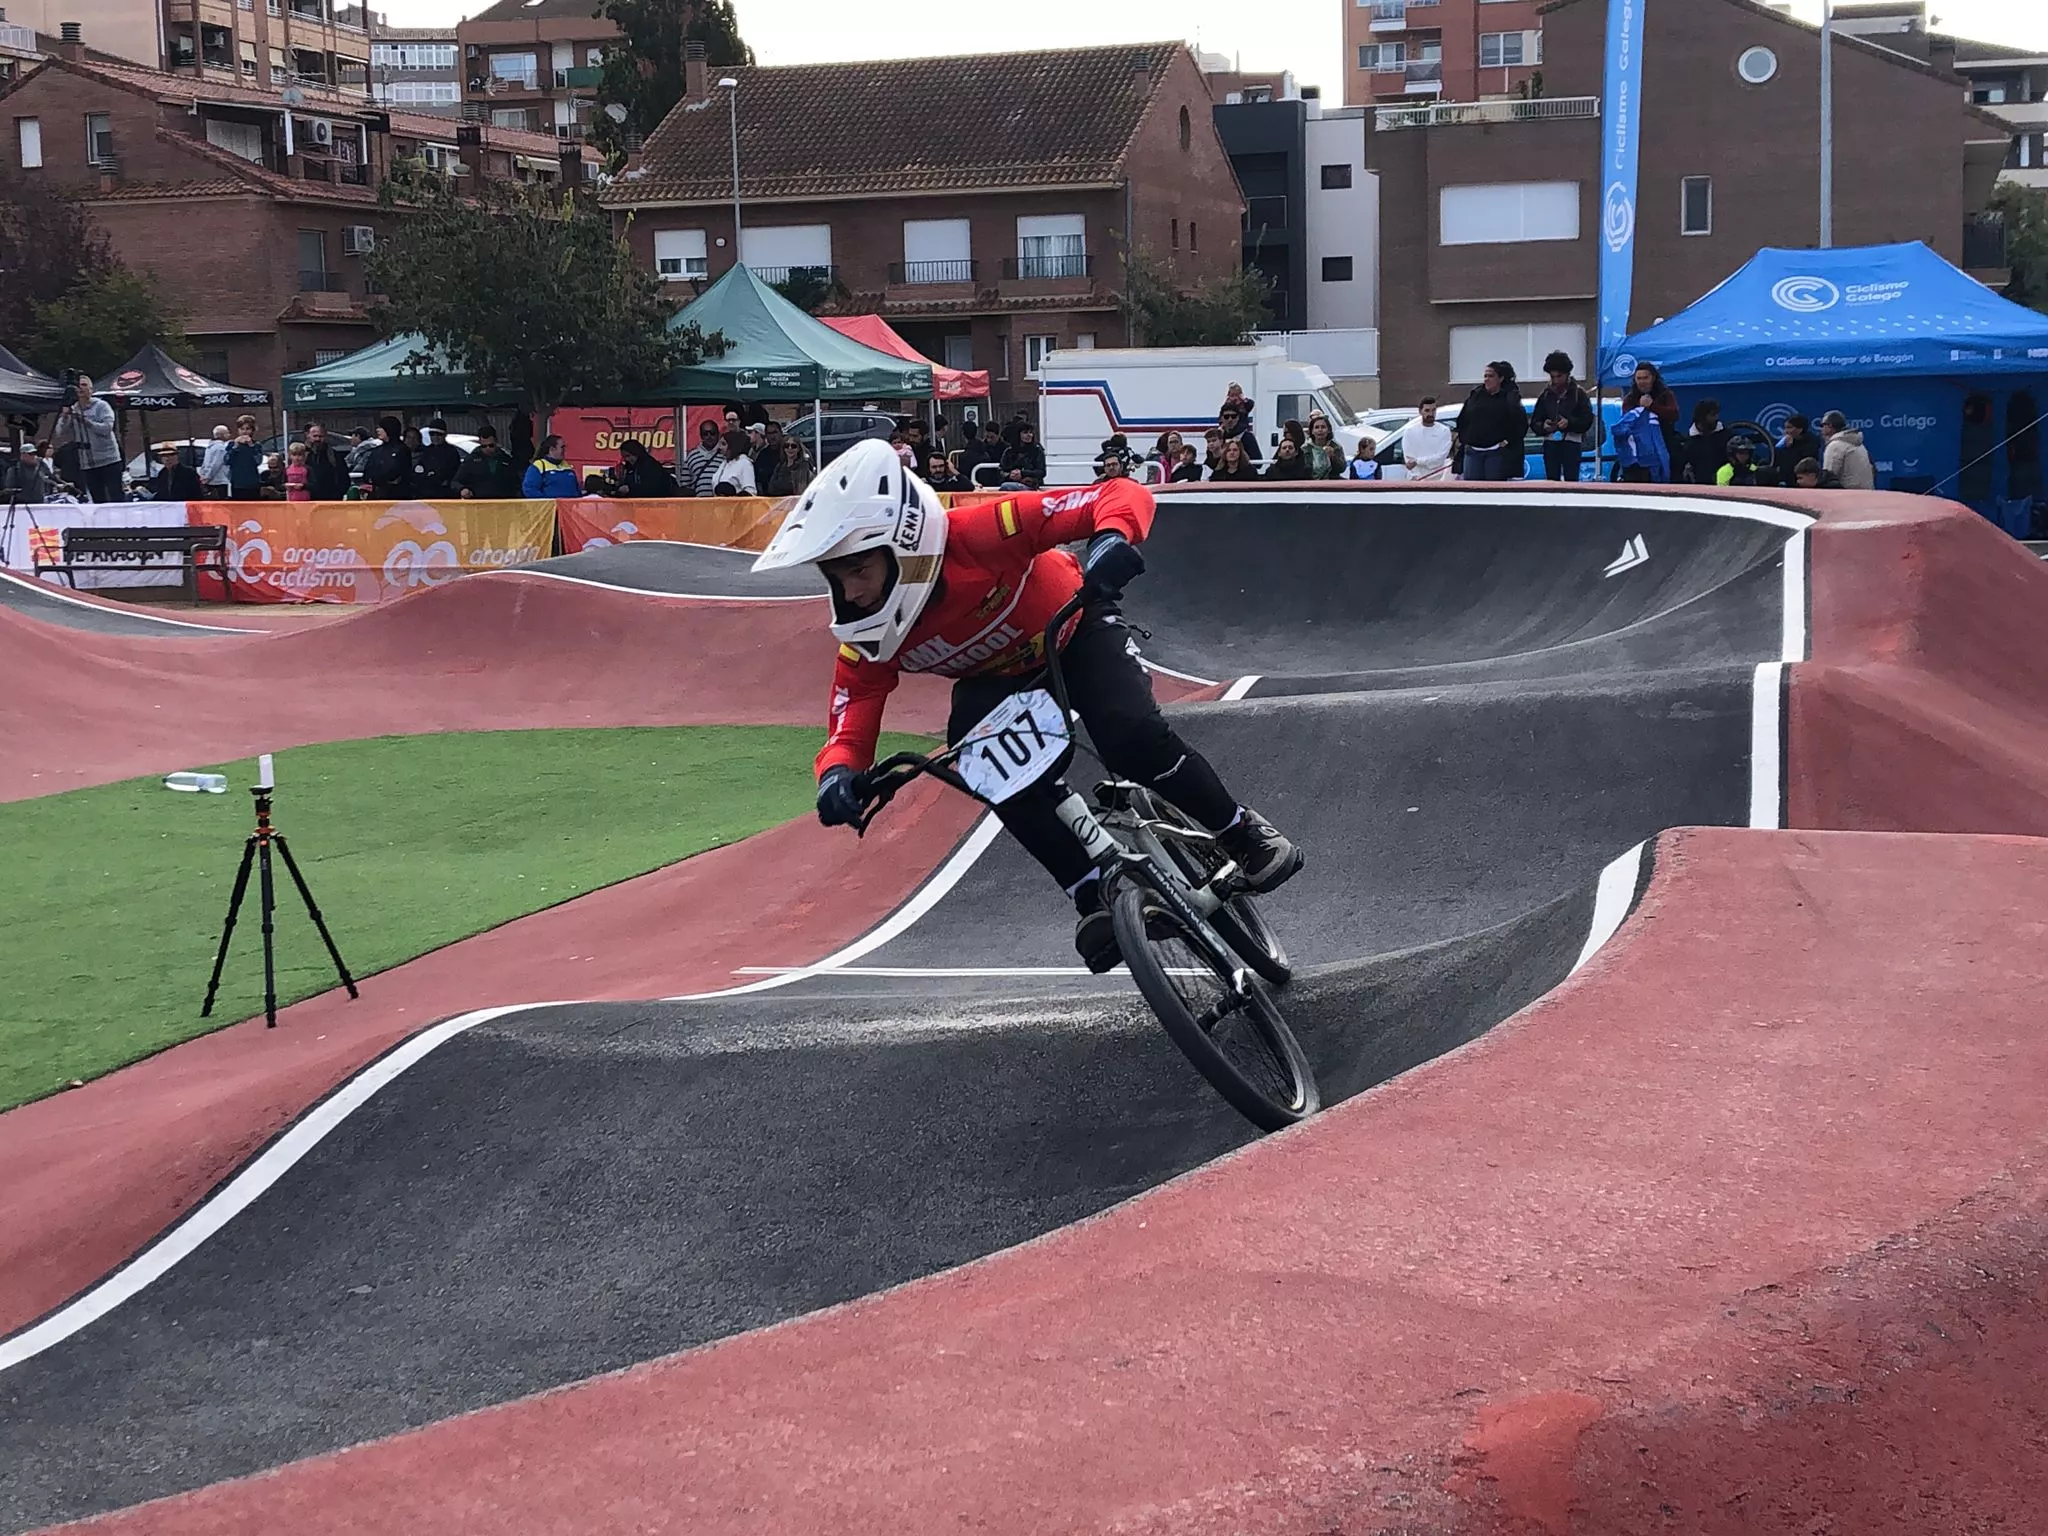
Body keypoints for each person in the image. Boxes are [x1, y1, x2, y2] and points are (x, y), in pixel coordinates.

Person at [756, 438, 1302, 972]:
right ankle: (1094, 896)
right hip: (996, 680)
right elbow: (851, 719)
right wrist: (837, 776)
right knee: (986, 769)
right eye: (837, 577)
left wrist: (1112, 538)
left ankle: (1240, 831)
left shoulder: (985, 532)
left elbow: (1117, 494)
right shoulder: (869, 638)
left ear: (905, 544)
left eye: (859, 570)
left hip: (1074, 629)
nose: (850, 593)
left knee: (1129, 736)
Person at [53, 375, 123, 502]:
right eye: (78, 385)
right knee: (97, 498)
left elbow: (107, 429)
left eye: (84, 385)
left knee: (116, 495)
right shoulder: (73, 408)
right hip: (87, 463)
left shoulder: (102, 406)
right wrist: (65, 416)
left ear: (91, 390)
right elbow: (59, 432)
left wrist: (86, 422)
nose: (81, 388)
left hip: (108, 459)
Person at [1456, 362, 1528, 481]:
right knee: (1471, 490)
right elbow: (1463, 419)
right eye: (1485, 376)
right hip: (1473, 451)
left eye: (1491, 376)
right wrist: (1465, 438)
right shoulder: (1476, 395)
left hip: (1496, 452)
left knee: (1494, 490)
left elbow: (1520, 423)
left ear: (1500, 378)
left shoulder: (1509, 398)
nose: (1486, 380)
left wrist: (1507, 441)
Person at [1531, 352, 1595, 482]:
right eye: (1552, 376)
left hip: (1572, 443)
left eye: (1559, 376)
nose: (1555, 380)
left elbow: (1587, 420)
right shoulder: (1545, 395)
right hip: (1550, 443)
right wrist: (1544, 426)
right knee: (1551, 481)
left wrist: (1569, 423)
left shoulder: (1579, 393)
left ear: (1567, 374)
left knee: (1571, 480)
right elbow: (1534, 422)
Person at [453, 426, 523, 499]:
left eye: (491, 445)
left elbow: (516, 484)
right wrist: (462, 489)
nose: (488, 449)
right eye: (484, 446)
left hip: (502, 504)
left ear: (496, 442)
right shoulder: (471, 460)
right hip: (478, 504)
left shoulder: (506, 460)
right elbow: (455, 482)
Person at [1611, 405, 1672, 483]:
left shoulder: (1628, 419)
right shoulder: (1649, 417)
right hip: (1649, 464)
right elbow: (1660, 447)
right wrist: (1666, 476)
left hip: (1629, 463)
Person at [1820, 410, 1875, 490]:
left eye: (1822, 425)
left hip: (1848, 496)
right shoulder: (1859, 444)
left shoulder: (1835, 445)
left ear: (1830, 426)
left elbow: (1829, 477)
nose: (1821, 429)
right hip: (1867, 494)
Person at [410, 418, 465, 498]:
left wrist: (432, 476)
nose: (435, 437)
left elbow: (450, 475)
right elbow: (418, 471)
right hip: (425, 495)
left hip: (444, 496)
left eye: (439, 434)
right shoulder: (426, 451)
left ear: (445, 435)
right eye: (432, 434)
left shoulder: (451, 452)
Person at [1404, 397, 1454, 481]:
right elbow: (1409, 461)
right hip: (1416, 479)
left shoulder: (1444, 431)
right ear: (1420, 411)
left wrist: (1418, 461)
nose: (1431, 414)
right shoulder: (1410, 431)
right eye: (1427, 410)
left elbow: (1440, 459)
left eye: (1433, 410)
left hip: (1439, 479)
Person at [1682, 399, 1730, 486]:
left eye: (1716, 414)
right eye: (1712, 415)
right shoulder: (1690, 443)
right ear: (1702, 417)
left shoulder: (1725, 434)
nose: (1716, 418)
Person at [363, 417, 411, 499]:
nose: (377, 430)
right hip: (377, 495)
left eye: (381, 427)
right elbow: (367, 472)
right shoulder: (377, 450)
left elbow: (394, 472)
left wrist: (380, 478)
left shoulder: (402, 449)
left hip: (396, 496)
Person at [301, 423, 349, 501]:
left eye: (320, 436)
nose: (318, 439)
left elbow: (343, 476)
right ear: (308, 436)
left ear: (325, 436)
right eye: (315, 436)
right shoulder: (302, 456)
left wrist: (339, 494)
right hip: (308, 499)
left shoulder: (334, 456)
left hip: (331, 499)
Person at [1775, 414, 1822, 485]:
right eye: (1785, 428)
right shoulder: (1786, 442)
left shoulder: (1812, 443)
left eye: (1789, 428)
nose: (1786, 431)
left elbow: (1804, 465)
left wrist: (1789, 449)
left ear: (1800, 429)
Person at [682, 418, 724, 496]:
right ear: (701, 436)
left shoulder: (725, 455)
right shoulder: (691, 456)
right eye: (705, 434)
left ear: (718, 434)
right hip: (698, 504)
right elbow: (685, 486)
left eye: (712, 433)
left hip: (720, 503)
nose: (709, 436)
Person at [999, 424, 1046, 490]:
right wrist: (1010, 475)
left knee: (1006, 486)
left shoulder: (1037, 450)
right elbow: (1000, 470)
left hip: (1031, 485)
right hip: (1011, 482)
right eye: (1025, 432)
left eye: (1030, 432)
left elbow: (1041, 472)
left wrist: (1023, 473)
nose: (1029, 435)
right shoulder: (1009, 451)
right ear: (1018, 435)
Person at [225, 424, 265, 501]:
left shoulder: (256, 445)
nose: (244, 431)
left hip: (252, 483)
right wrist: (235, 447)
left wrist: (251, 446)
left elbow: (258, 461)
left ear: (252, 431)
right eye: (242, 429)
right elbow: (227, 461)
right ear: (238, 430)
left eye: (247, 429)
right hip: (237, 483)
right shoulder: (232, 444)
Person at [712, 429, 757, 495]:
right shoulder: (723, 464)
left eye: (723, 444)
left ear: (733, 445)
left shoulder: (744, 463)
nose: (720, 447)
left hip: (736, 504)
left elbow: (750, 491)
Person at [1302, 413, 1344, 479]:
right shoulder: (1305, 449)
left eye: (1323, 427)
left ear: (1329, 430)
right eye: (1317, 427)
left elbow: (1342, 469)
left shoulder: (1336, 447)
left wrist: (1333, 457)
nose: (1320, 430)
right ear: (1312, 431)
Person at [201, 425, 234, 500]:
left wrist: (203, 475)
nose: (229, 434)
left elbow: (205, 463)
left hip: (210, 481)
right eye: (227, 432)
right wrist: (208, 477)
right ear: (222, 435)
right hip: (219, 481)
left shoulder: (210, 447)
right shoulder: (221, 448)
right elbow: (216, 464)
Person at [753, 420, 786, 488]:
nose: (772, 436)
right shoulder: (763, 455)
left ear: (781, 433)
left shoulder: (790, 450)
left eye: (774, 432)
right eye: (769, 433)